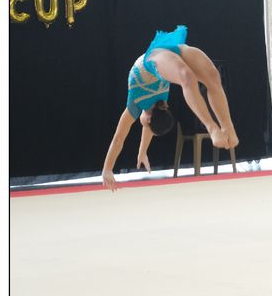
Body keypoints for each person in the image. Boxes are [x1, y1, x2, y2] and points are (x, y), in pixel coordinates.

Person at [101, 26, 239, 190]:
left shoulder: (147, 104)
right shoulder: (138, 104)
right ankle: (222, 127)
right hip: (165, 53)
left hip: (160, 56)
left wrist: (136, 155)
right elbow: (120, 138)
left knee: (197, 77)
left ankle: (219, 127)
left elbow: (129, 135)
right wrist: (110, 167)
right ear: (149, 118)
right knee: (207, 76)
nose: (143, 125)